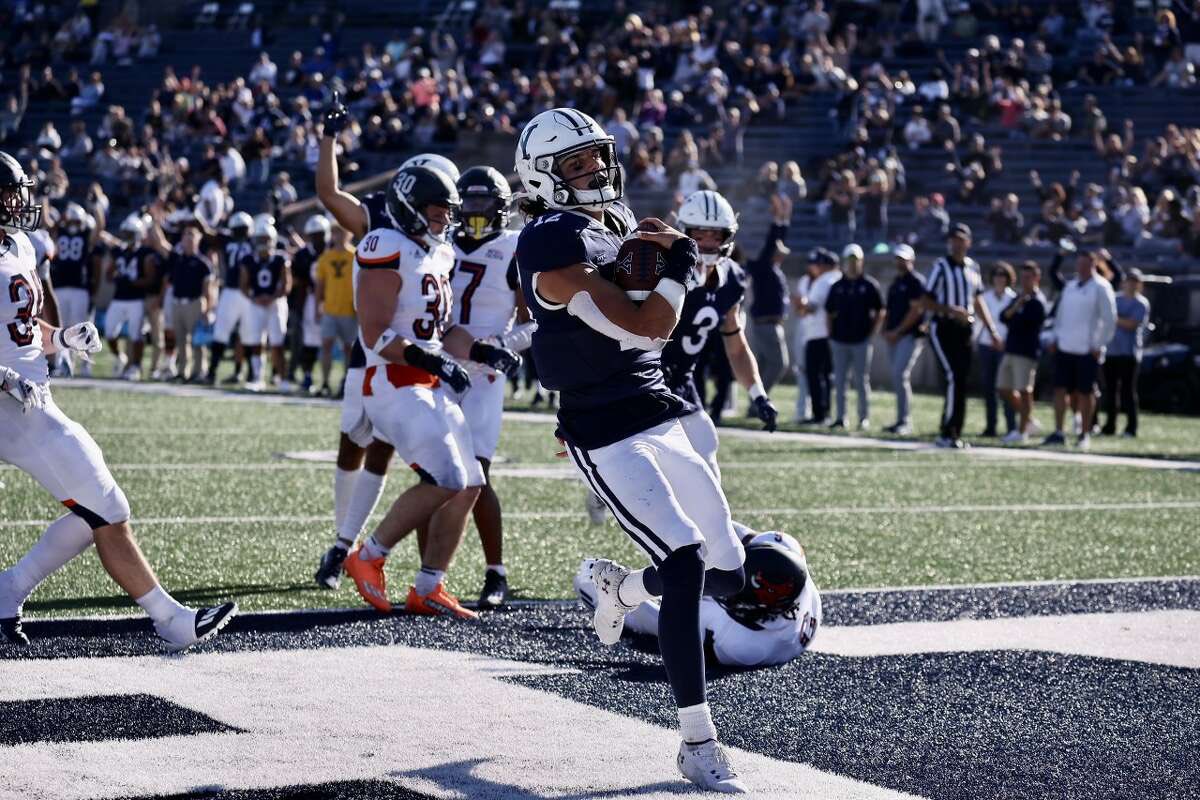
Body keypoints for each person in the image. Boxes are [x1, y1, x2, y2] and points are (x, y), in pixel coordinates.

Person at [514, 108, 748, 792]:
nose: (593, 172)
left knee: (728, 578)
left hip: (661, 407)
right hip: (603, 424)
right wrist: (679, 266)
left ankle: (624, 587)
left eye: (596, 158)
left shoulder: (611, 224)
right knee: (685, 559)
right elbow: (650, 326)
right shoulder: (548, 242)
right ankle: (697, 743)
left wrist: (670, 252)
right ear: (544, 176)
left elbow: (653, 307)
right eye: (575, 164)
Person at [0, 152, 236, 649]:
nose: (16, 202)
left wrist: (62, 338)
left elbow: (19, 327)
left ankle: (8, 591)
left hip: (26, 399)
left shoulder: (19, 244)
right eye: (6, 192)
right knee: (104, 503)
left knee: (99, 508)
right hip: (11, 404)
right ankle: (170, 620)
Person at [339, 165, 520, 620]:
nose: (445, 224)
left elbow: (443, 333)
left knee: (472, 483)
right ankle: (368, 555)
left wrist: (479, 350)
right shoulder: (386, 245)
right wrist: (430, 360)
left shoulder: (438, 254)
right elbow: (374, 333)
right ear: (409, 209)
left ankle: (428, 585)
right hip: (390, 381)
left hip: (425, 380)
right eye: (437, 214)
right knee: (447, 478)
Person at [444, 165, 535, 608]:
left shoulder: (514, 248)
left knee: (477, 474)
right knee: (437, 473)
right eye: (470, 204)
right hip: (439, 368)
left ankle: (495, 571)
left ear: (501, 209)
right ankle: (432, 575)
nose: (476, 213)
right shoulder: (442, 246)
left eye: (485, 204)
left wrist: (498, 345)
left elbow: (532, 319)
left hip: (484, 376)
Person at [574, 524, 819, 668]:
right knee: (706, 528)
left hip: (734, 629)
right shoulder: (786, 553)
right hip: (756, 614)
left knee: (587, 584)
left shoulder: (746, 645)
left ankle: (609, 598)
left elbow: (679, 639)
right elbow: (737, 535)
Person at [661, 189, 779, 481]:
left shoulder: (733, 279)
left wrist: (758, 394)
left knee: (705, 447)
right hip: (644, 375)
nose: (709, 244)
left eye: (717, 236)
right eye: (700, 236)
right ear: (683, 232)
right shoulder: (661, 267)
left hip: (682, 381)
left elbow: (736, 347)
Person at [915, 223, 1003, 448]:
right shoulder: (941, 266)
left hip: (965, 329)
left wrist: (992, 329)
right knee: (953, 376)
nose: (956, 243)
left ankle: (953, 431)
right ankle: (949, 432)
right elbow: (926, 301)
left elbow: (977, 300)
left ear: (968, 242)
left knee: (960, 379)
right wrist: (951, 310)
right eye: (953, 239)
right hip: (943, 327)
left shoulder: (973, 267)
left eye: (961, 239)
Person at [1043, 250, 1117, 450]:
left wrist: (1098, 344)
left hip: (1087, 350)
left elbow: (1110, 320)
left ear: (1093, 265)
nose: (1082, 268)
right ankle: (1059, 431)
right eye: (1079, 264)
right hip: (1064, 346)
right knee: (1059, 390)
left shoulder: (1101, 287)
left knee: (1085, 393)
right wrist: (1054, 337)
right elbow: (1060, 315)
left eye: (1086, 264)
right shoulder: (1071, 286)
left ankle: (1084, 433)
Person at [825, 243, 884, 430]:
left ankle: (863, 418)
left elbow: (880, 311)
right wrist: (831, 335)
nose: (852, 264)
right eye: (849, 260)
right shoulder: (837, 286)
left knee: (861, 381)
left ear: (861, 261)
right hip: (840, 340)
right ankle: (841, 418)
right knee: (840, 381)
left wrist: (872, 333)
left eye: (855, 260)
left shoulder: (869, 285)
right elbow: (829, 311)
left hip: (861, 341)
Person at [101, 212, 161, 381]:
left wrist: (132, 281)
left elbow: (150, 279)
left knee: (136, 335)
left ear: (139, 235)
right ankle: (120, 357)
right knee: (109, 331)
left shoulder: (145, 253)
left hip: (136, 299)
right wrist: (116, 277)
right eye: (125, 233)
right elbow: (108, 274)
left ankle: (135, 366)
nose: (126, 237)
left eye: (130, 234)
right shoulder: (118, 251)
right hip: (119, 297)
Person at [742, 193, 792, 394]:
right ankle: (759, 400)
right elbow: (774, 240)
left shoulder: (772, 269)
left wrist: (784, 218)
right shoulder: (763, 266)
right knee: (779, 364)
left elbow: (777, 242)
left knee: (763, 365)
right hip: (766, 325)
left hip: (768, 324)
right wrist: (780, 219)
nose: (781, 252)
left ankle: (756, 404)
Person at [237, 215, 291, 392]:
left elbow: (286, 284)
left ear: (273, 240)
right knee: (255, 341)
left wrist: (272, 297)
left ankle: (281, 378)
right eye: (260, 239)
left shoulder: (280, 259)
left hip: (275, 304)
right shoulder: (248, 260)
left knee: (277, 342)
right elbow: (243, 285)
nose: (263, 242)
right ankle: (257, 377)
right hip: (255, 304)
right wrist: (255, 299)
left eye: (266, 239)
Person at [997, 261, 1048, 443]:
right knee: (1003, 388)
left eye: (1029, 277)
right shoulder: (1018, 297)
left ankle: (1022, 431)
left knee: (1024, 391)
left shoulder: (1038, 301)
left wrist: (1015, 313)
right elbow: (1003, 317)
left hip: (1026, 353)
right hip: (1011, 349)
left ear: (1037, 278)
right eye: (1023, 277)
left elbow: (1022, 323)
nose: (1025, 281)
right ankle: (1030, 420)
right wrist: (1017, 305)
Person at [49, 203, 98, 377]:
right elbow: (50, 227)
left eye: (77, 221)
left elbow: (99, 228)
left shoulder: (85, 235)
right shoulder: (59, 232)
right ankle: (65, 362)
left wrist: (98, 205)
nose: (74, 224)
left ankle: (85, 364)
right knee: (61, 327)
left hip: (79, 287)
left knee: (82, 329)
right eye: (72, 220)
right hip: (61, 286)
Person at [881, 244, 925, 435]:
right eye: (898, 259)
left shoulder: (916, 282)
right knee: (897, 377)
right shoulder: (895, 282)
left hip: (909, 336)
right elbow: (889, 311)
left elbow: (916, 311)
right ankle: (900, 419)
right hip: (894, 337)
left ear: (911, 260)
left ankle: (905, 421)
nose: (900, 262)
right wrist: (885, 330)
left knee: (900, 375)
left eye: (904, 259)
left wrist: (898, 331)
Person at [162, 222, 214, 382]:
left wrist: (208, 309)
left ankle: (199, 371)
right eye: (186, 235)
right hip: (177, 302)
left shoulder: (203, 263)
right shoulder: (177, 260)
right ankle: (182, 371)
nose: (188, 238)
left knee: (197, 340)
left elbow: (208, 290)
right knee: (181, 340)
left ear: (198, 239)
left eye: (192, 235)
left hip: (195, 303)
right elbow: (169, 281)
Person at [1101, 268, 1149, 437]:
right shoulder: (1115, 299)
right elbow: (1105, 318)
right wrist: (1118, 319)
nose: (1132, 284)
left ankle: (1131, 428)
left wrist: (1115, 318)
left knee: (1128, 391)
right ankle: (1110, 426)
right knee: (1111, 391)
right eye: (1129, 280)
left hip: (1129, 353)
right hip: (1111, 351)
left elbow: (1131, 324)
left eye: (1135, 281)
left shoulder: (1141, 303)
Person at [207, 211, 254, 384]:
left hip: (246, 293)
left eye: (243, 229)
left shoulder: (253, 242)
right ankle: (212, 372)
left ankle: (248, 373)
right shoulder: (229, 240)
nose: (241, 233)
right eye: (239, 229)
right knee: (222, 333)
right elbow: (209, 235)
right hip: (232, 291)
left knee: (247, 335)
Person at [798, 248, 841, 425]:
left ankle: (820, 414)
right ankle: (825, 412)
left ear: (824, 265)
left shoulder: (824, 281)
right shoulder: (837, 278)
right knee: (826, 375)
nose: (813, 267)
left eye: (816, 264)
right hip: (829, 334)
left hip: (818, 333)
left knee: (815, 375)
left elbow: (812, 307)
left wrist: (801, 305)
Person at [315, 223, 357, 396]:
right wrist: (317, 306)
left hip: (350, 310)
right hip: (330, 309)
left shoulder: (355, 255)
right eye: (334, 232)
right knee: (326, 346)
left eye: (341, 231)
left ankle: (346, 383)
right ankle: (324, 382)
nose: (337, 235)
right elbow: (320, 285)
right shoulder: (326, 257)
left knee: (349, 348)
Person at [976, 262, 1017, 437]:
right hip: (987, 345)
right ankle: (990, 426)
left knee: (1006, 387)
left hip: (1006, 347)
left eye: (1003, 275)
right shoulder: (985, 297)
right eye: (996, 275)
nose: (999, 278)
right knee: (989, 387)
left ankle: (1011, 426)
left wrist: (1003, 342)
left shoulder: (1014, 298)